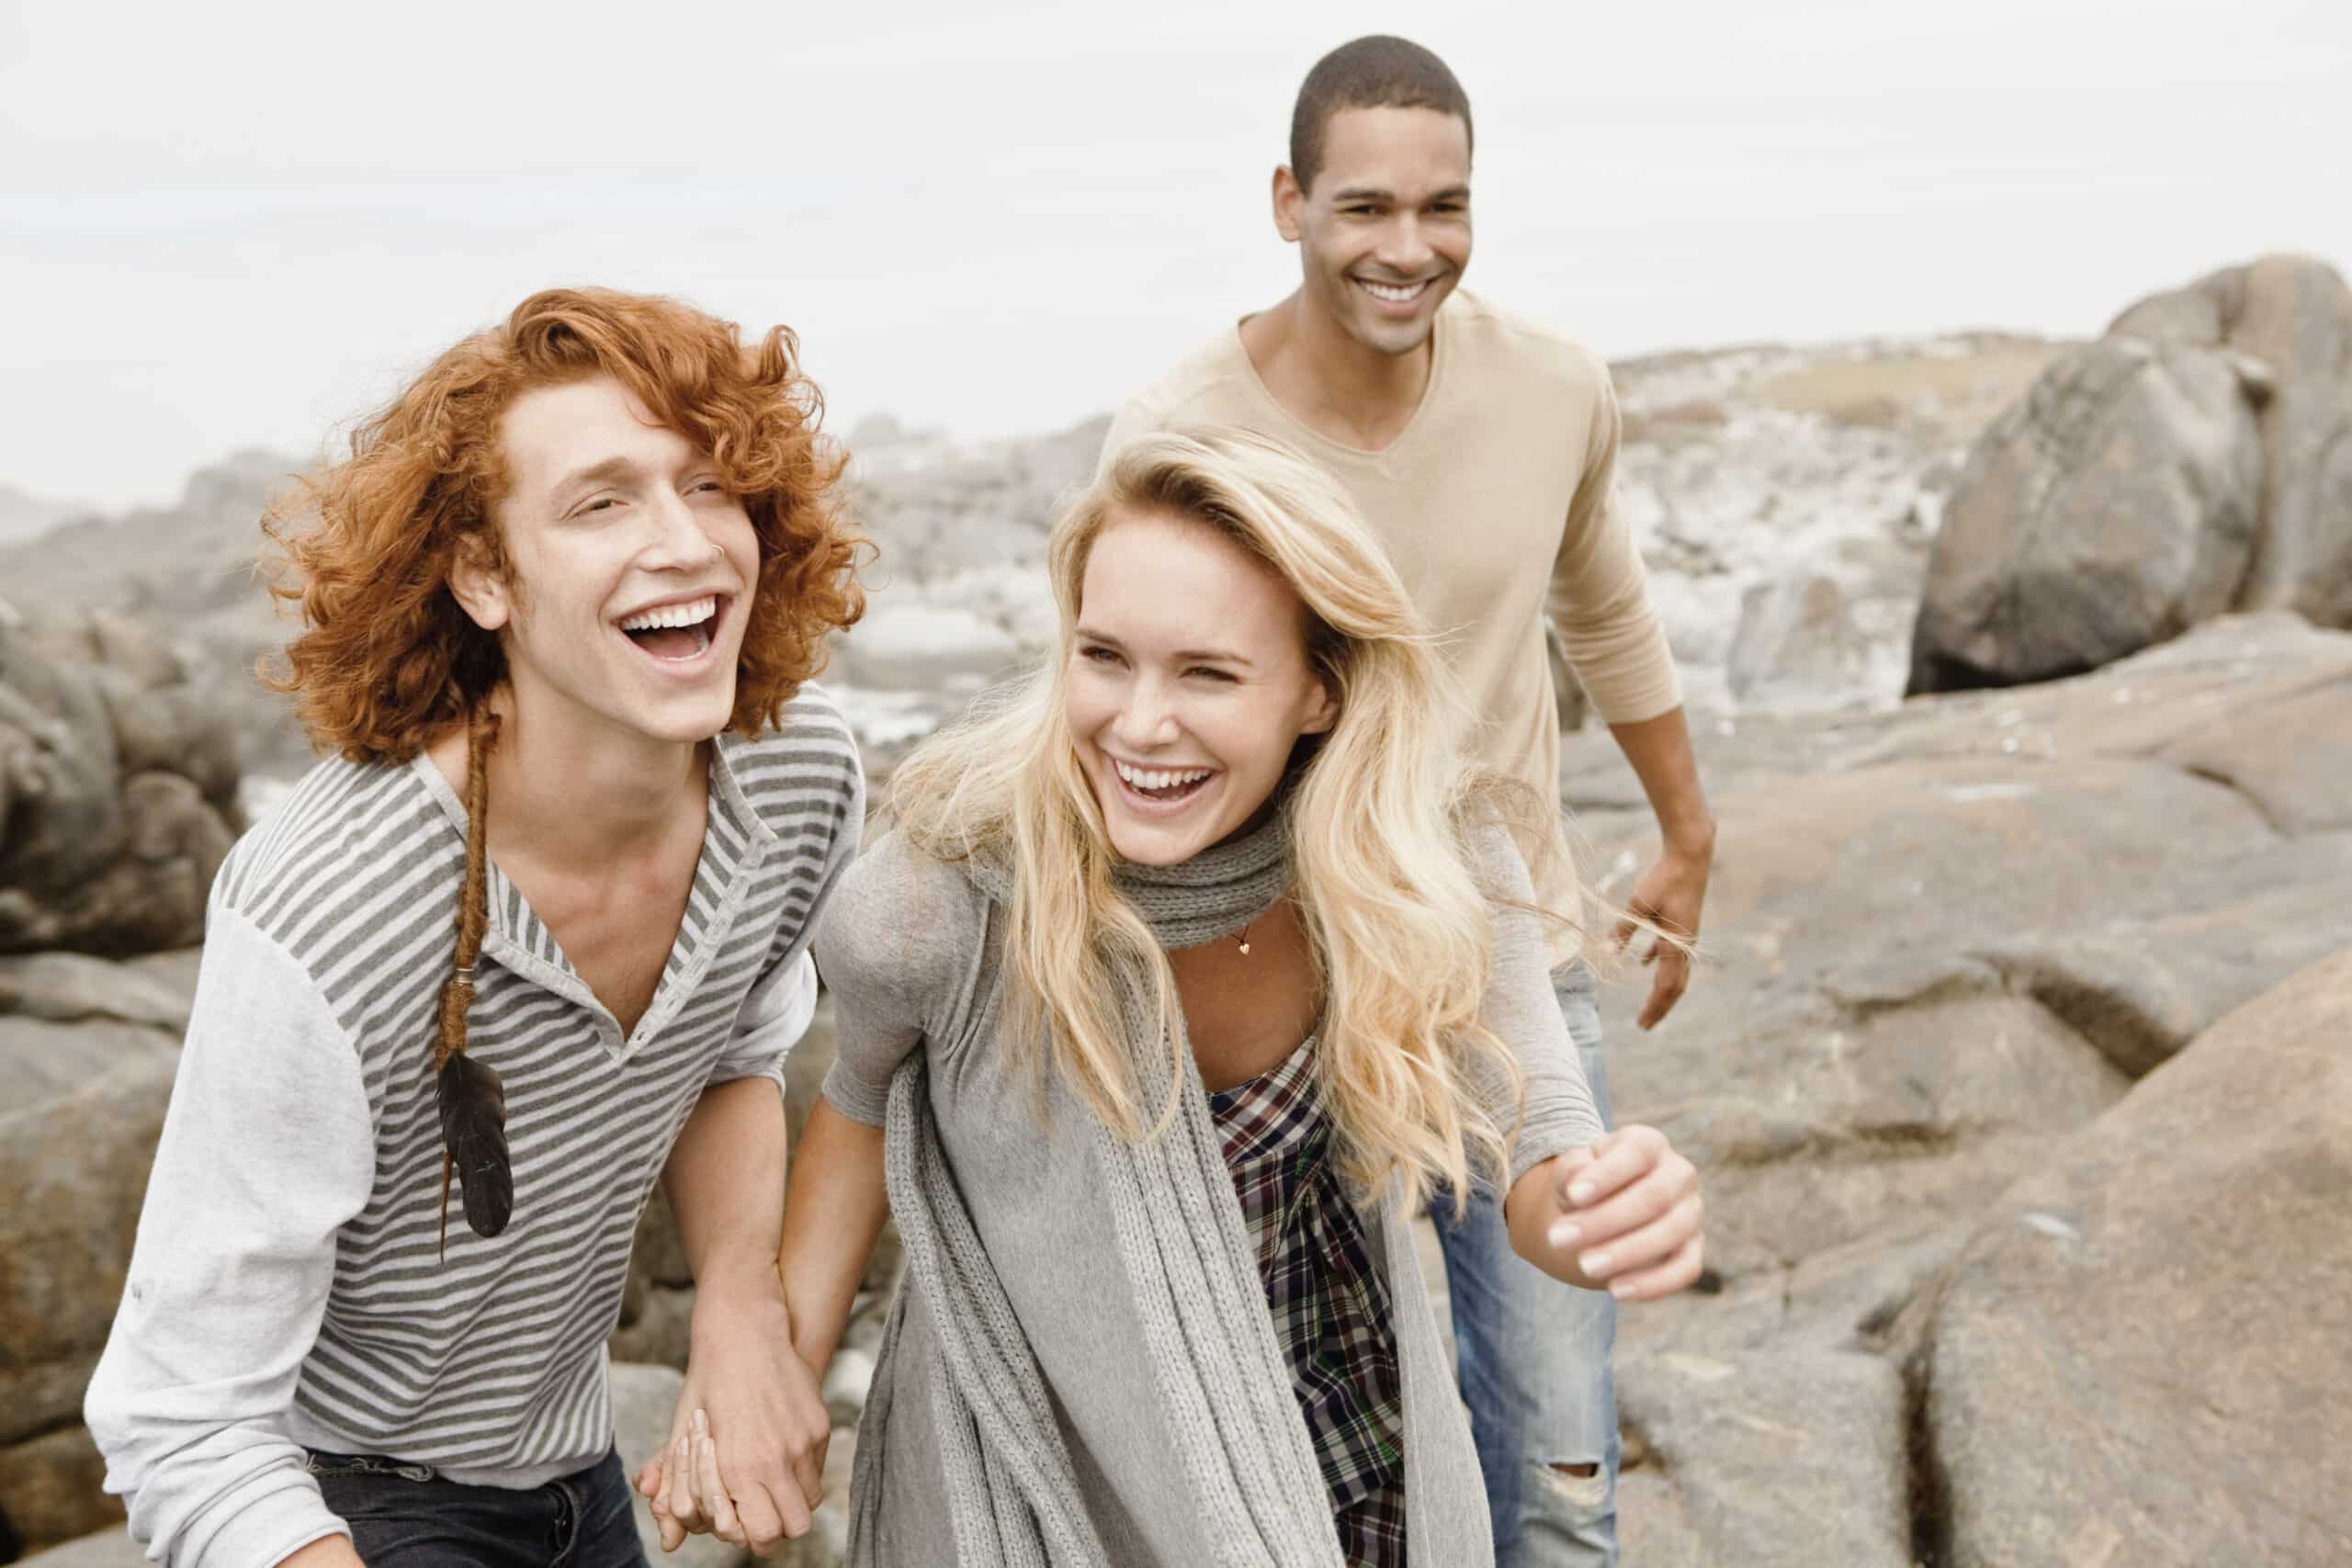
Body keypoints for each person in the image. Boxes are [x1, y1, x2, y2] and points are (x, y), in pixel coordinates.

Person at [654, 427, 1701, 1565]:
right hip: (1048, 1475)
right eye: (1104, 657)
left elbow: (1542, 1148)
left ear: (1319, 691)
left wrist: (1605, 1210)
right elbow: (858, 1109)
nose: (1140, 724)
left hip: (1346, 1442)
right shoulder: (946, 890)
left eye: (1208, 672)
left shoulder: (1423, 860)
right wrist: (768, 1394)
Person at [82, 287, 869, 1567]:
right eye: (602, 501)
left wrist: (739, 1298)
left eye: (713, 485)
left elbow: (735, 1046)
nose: (683, 541)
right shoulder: (328, 904)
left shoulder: (798, 775)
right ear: (484, 575)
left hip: (579, 1474)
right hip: (342, 1506)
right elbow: (183, 1417)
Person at [1098, 36, 1720, 1565]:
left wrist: (1688, 833)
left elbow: (1606, 610)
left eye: (1444, 207)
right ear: (1287, 201)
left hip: (1509, 969)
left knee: (1558, 1470)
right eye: (1365, 207)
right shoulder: (1183, 432)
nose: (1408, 248)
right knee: (1320, 1465)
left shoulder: (1555, 388)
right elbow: (1132, 718)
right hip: (1283, 1003)